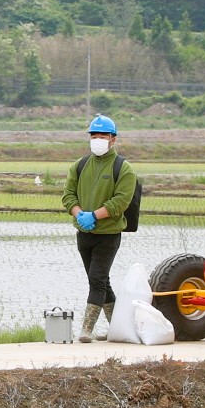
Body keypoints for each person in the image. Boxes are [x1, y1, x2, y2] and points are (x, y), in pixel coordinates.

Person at [61, 114, 139, 342]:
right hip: (84, 233)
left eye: (103, 135)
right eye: (94, 135)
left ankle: (86, 329)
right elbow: (68, 196)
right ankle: (119, 329)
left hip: (108, 233)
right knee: (101, 281)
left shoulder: (123, 168)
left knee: (96, 278)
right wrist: (80, 215)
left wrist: (95, 215)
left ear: (113, 139)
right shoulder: (80, 165)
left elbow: (120, 201)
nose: (98, 139)